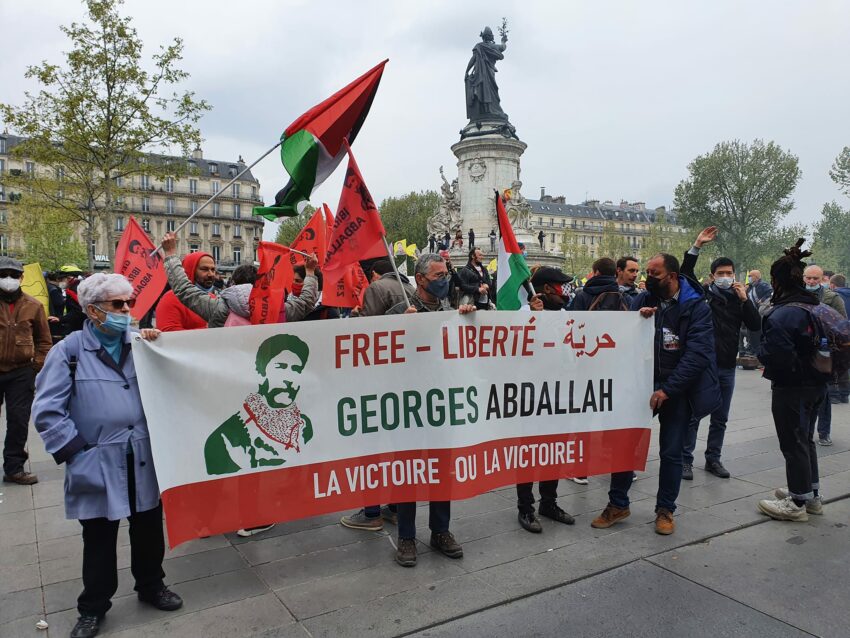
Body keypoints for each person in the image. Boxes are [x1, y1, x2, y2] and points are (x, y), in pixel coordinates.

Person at [32, 273, 182, 638]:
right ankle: (93, 607)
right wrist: (78, 453)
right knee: (99, 535)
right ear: (93, 311)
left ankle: (151, 585)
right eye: (118, 304)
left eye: (129, 302)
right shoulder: (67, 351)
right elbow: (48, 411)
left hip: (143, 453)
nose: (128, 310)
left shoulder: (141, 344)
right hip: (96, 459)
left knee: (148, 526)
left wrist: (158, 345)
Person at [591, 253, 719, 535]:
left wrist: (668, 389)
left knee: (672, 452)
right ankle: (617, 504)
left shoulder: (696, 306)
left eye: (654, 274)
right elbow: (627, 338)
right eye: (646, 272)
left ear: (672, 277)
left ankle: (665, 510)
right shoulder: (644, 299)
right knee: (625, 445)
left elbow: (698, 356)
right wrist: (638, 318)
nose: (647, 278)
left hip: (677, 390)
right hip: (641, 384)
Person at [386, 253, 476, 567]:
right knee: (407, 472)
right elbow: (373, 350)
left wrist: (469, 319)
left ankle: (441, 530)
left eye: (445, 274)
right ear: (420, 278)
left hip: (441, 405)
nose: (444, 279)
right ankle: (406, 536)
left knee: (442, 469)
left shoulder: (453, 311)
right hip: (408, 408)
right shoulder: (400, 311)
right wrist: (398, 328)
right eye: (438, 275)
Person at [756, 241, 831, 521]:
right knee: (806, 440)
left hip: (792, 388)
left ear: (777, 281)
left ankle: (797, 502)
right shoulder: (815, 306)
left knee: (793, 442)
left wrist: (762, 353)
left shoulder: (783, 313)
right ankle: (811, 495)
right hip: (817, 384)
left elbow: (777, 356)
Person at [680, 227, 760, 480]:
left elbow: (756, 325)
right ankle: (685, 460)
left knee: (721, 417)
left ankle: (713, 459)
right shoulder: (703, 296)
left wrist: (746, 299)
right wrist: (696, 246)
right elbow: (685, 274)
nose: (725, 277)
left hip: (727, 365)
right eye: (720, 274)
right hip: (703, 365)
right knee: (694, 416)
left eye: (729, 273)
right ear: (712, 277)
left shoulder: (739, 299)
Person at [516, 267, 576, 533]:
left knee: (554, 451)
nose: (565, 292)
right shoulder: (523, 315)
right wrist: (535, 320)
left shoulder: (565, 315)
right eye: (561, 286)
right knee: (528, 454)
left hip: (559, 395)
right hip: (531, 396)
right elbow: (516, 350)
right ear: (547, 289)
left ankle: (548, 502)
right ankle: (525, 508)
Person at [160, 232, 319, 327]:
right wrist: (310, 272)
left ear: (232, 283)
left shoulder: (219, 307)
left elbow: (183, 289)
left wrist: (170, 254)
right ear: (259, 283)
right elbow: (306, 302)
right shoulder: (275, 309)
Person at [0, 257, 52, 486]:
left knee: (19, 421)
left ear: (21, 277)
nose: (8, 279)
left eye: (13, 274)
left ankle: (14, 468)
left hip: (21, 372)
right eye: (3, 274)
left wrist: (36, 366)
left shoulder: (34, 305)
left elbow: (44, 341)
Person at [802, 264, 847, 446]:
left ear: (823, 280)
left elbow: (842, 324)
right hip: (802, 349)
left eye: (815, 279)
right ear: (803, 278)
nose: (811, 282)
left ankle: (823, 432)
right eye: (808, 278)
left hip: (824, 350)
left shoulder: (832, 298)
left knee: (824, 393)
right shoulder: (797, 295)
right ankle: (803, 429)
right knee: (801, 391)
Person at [156, 248, 218, 332]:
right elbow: (169, 334)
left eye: (213, 269)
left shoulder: (213, 298)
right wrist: (209, 330)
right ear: (190, 269)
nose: (211, 274)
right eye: (204, 269)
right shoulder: (171, 299)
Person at [828, 274, 850, 404]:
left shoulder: (834, 297)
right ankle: (845, 393)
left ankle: (834, 393)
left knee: (832, 361)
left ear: (832, 285)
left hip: (837, 332)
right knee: (844, 362)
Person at [743, 270, 772, 355]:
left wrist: (762, 299)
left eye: (750, 276)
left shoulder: (763, 285)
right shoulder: (751, 287)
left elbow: (770, 292)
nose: (749, 278)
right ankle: (750, 346)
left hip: (761, 311)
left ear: (756, 277)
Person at [46, 270, 69, 343]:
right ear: (57, 280)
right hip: (55, 318)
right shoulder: (54, 290)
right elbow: (59, 303)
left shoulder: (47, 287)